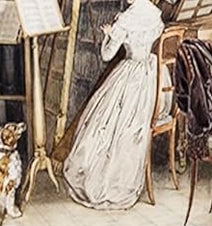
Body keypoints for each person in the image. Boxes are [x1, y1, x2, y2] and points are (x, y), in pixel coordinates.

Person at [62, 0, 167, 211]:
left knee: (101, 123)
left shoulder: (126, 19)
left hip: (131, 78)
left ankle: (107, 182)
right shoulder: (155, 12)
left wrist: (109, 34)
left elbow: (107, 55)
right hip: (152, 79)